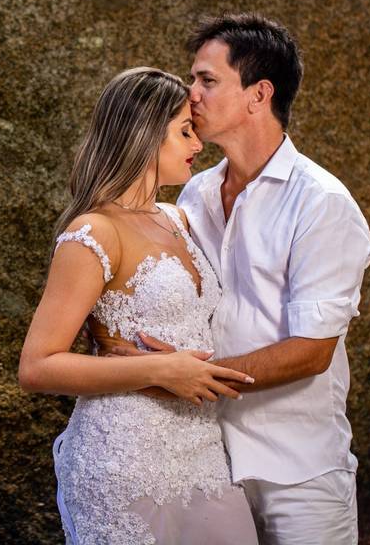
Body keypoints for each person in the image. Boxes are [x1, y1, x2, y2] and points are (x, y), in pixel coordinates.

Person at [112, 14, 370, 544]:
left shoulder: (321, 203)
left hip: (299, 470)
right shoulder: (194, 193)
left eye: (207, 80)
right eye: (193, 80)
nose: (191, 95)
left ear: (259, 94)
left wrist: (187, 378)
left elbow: (312, 351)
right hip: (205, 464)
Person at [18, 67, 259, 544]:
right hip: (123, 456)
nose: (198, 143)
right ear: (144, 137)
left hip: (202, 452)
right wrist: (161, 371)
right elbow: (37, 366)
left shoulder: (179, 218)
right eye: (184, 131)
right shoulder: (94, 232)